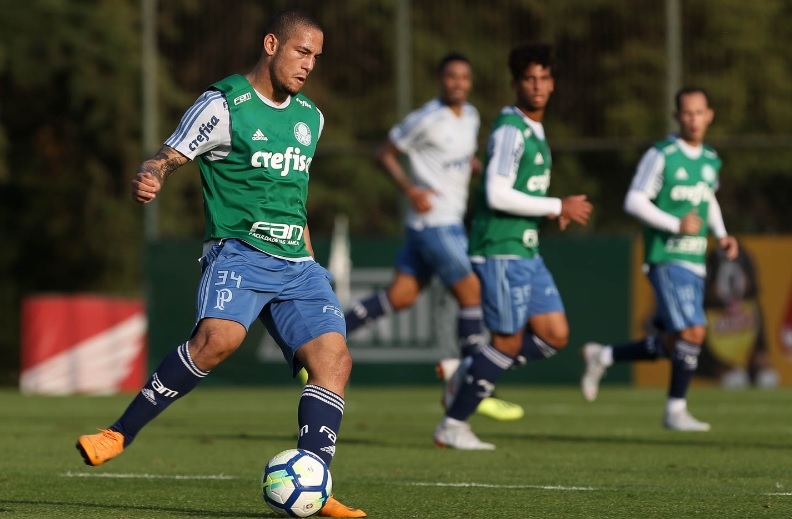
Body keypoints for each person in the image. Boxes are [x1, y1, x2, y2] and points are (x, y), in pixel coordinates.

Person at [75, 10, 365, 517]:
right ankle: (117, 434)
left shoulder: (310, 118)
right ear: (272, 44)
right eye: (302, 52)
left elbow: (293, 198)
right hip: (239, 252)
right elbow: (167, 155)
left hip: (298, 264)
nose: (309, 65)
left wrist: (314, 266)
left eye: (317, 57)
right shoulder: (223, 103)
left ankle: (314, 485)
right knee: (217, 342)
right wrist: (152, 173)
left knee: (334, 361)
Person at [343, 52, 524, 421]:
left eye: (464, 77)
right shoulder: (425, 118)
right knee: (472, 290)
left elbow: (461, 159)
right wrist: (411, 190)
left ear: (469, 82)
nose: (458, 82)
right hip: (435, 222)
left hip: (446, 222)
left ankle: (318, 340)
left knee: (400, 296)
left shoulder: (471, 116)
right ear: (441, 80)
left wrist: (480, 171)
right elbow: (385, 153)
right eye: (451, 76)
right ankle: (474, 381)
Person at [433, 42, 593, 450]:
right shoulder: (510, 128)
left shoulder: (534, 129)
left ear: (553, 83)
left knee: (554, 334)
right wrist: (558, 204)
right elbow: (497, 192)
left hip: (525, 248)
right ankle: (453, 424)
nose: (537, 86)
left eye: (543, 78)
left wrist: (545, 211)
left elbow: (518, 192)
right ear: (515, 84)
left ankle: (467, 370)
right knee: (506, 340)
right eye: (528, 79)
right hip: (501, 248)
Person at [580, 87, 739, 432]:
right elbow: (634, 201)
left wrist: (722, 234)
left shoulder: (711, 159)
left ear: (709, 115)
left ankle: (603, 356)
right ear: (677, 117)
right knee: (694, 331)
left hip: (695, 259)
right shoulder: (662, 154)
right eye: (687, 113)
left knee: (675, 342)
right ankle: (675, 410)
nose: (694, 119)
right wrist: (675, 224)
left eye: (699, 113)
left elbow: (707, 199)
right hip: (666, 256)